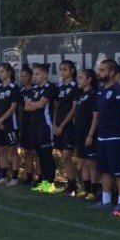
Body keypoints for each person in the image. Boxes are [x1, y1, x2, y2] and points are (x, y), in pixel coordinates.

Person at [89, 59, 120, 216]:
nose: (99, 73)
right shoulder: (100, 91)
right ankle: (106, 201)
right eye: (99, 69)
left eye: (103, 70)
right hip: (103, 137)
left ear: (112, 72)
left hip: (118, 138)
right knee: (105, 170)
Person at [24, 64, 59, 193]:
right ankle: (44, 182)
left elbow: (41, 104)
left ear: (45, 75)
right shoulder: (34, 89)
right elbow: (26, 107)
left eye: (37, 74)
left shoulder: (50, 87)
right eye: (34, 74)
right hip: (34, 125)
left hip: (45, 125)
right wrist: (34, 104)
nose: (34, 77)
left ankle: (51, 183)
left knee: (46, 154)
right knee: (39, 154)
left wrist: (33, 104)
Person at [53, 60, 79, 195]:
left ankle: (79, 185)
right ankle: (71, 184)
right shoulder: (60, 87)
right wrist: (54, 124)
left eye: (65, 69)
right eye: (61, 69)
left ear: (72, 71)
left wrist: (62, 125)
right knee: (64, 155)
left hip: (69, 126)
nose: (62, 72)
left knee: (68, 154)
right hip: (58, 126)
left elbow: (74, 108)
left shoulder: (76, 86)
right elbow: (56, 106)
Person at [0, 62, 20, 187]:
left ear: (9, 72)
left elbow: (13, 107)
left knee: (13, 151)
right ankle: (3, 177)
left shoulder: (14, 87)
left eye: (2, 71)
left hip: (10, 124)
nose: (0, 74)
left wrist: (2, 120)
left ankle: (15, 177)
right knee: (1, 150)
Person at [73, 68, 99, 199]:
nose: (78, 80)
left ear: (89, 80)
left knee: (91, 162)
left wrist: (90, 135)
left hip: (89, 133)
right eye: (78, 77)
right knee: (83, 161)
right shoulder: (81, 95)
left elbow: (96, 116)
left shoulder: (93, 94)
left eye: (81, 77)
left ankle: (93, 191)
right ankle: (86, 189)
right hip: (80, 133)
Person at [18, 64, 37, 185]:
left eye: (25, 76)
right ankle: (29, 176)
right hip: (25, 124)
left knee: (36, 152)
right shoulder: (21, 91)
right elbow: (20, 109)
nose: (23, 79)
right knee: (27, 151)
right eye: (21, 76)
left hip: (35, 124)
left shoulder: (36, 90)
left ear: (30, 76)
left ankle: (40, 177)